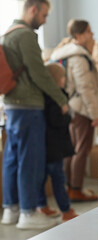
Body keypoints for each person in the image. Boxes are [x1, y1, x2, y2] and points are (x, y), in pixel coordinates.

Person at [1, 0, 68, 230]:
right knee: (30, 161)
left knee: (12, 159)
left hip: (11, 105)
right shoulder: (26, 36)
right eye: (45, 14)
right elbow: (39, 73)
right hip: (29, 106)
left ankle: (11, 210)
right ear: (33, 9)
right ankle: (28, 213)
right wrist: (61, 100)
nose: (45, 20)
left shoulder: (7, 33)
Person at [50, 19, 98, 202]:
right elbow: (85, 88)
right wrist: (95, 114)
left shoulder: (66, 53)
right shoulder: (79, 57)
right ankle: (75, 189)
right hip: (82, 109)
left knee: (72, 149)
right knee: (81, 150)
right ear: (79, 35)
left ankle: (69, 187)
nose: (92, 34)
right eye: (89, 31)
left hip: (72, 106)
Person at [36, 62, 78, 222]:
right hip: (55, 147)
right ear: (58, 79)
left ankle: (42, 206)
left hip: (45, 145)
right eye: (63, 77)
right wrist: (67, 115)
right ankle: (66, 210)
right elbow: (57, 120)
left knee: (42, 177)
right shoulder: (57, 97)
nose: (64, 80)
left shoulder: (42, 95)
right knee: (58, 179)